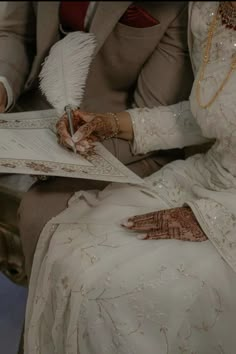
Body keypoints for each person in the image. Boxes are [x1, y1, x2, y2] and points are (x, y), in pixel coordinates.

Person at [23, 1, 236, 353]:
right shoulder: (207, 9)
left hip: (227, 208)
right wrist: (111, 124)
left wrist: (214, 215)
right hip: (203, 175)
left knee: (114, 290)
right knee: (69, 252)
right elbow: (206, 117)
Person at [0, 1, 196, 281]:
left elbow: (153, 113)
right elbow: (16, 34)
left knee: (41, 214)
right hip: (32, 107)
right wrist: (3, 85)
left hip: (120, 138)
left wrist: (60, 157)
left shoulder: (177, 6)